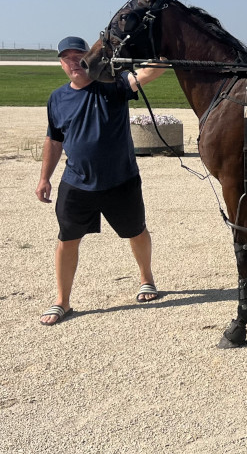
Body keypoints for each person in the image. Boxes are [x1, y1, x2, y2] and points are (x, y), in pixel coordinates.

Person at [36, 36, 168, 325]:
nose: (74, 61)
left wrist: (156, 45)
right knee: (67, 240)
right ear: (61, 63)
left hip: (121, 180)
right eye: (67, 57)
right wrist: (44, 178)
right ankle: (62, 301)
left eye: (79, 55)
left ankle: (146, 279)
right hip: (76, 182)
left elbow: (154, 70)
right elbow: (54, 140)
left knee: (136, 231)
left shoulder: (114, 85)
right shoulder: (57, 98)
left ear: (90, 57)